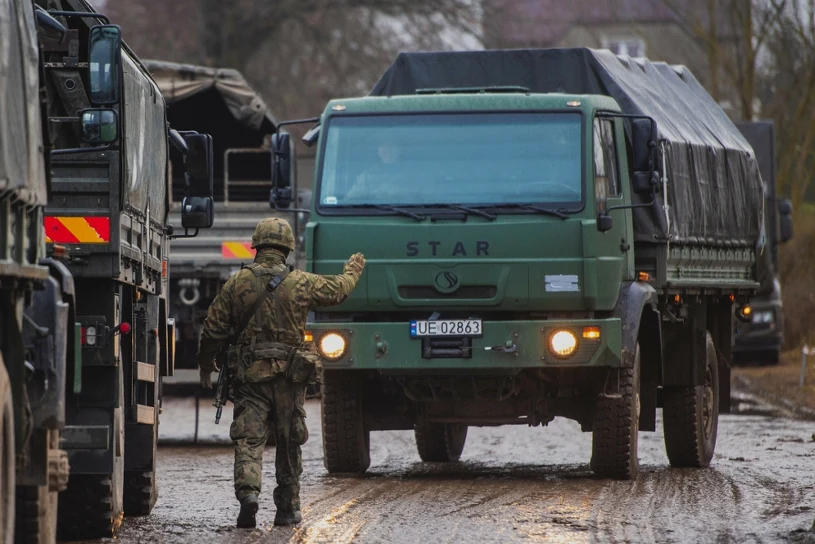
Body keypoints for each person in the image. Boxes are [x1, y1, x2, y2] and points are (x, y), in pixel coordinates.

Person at [196, 217, 365, 528]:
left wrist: (207, 366)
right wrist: (352, 271)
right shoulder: (300, 282)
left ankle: (248, 494)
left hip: (250, 377)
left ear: (257, 246)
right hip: (290, 378)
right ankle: (287, 509)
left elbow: (213, 329)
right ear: (287, 249)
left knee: (249, 438)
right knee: (288, 443)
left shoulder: (237, 283)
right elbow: (339, 291)